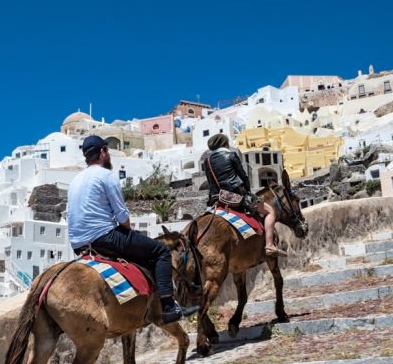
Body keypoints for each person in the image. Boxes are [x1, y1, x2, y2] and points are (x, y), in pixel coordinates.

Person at [67, 135, 197, 324]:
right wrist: (129, 230)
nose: (108, 154)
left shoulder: (75, 181)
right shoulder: (105, 176)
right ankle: (169, 307)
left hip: (78, 244)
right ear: (103, 152)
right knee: (161, 252)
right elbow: (123, 218)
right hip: (104, 238)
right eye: (107, 150)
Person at [201, 133, 282, 256]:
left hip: (217, 198)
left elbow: (211, 183)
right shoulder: (231, 155)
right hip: (235, 196)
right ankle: (269, 245)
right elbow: (243, 176)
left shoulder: (207, 161)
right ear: (225, 144)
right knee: (270, 211)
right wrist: (247, 191)